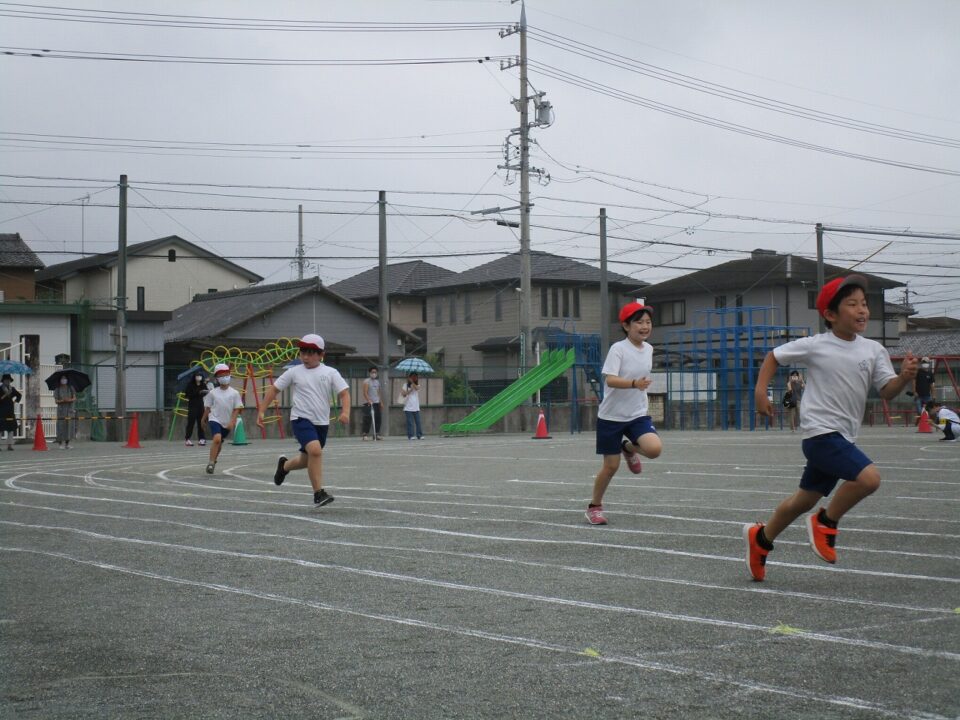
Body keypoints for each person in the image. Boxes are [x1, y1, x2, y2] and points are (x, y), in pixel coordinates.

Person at [744, 275, 918, 581]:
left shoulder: (873, 350)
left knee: (804, 500)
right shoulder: (816, 345)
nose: (862, 310)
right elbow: (773, 357)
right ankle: (826, 522)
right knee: (869, 479)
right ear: (830, 314)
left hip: (844, 436)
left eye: (864, 303)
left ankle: (761, 539)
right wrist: (761, 392)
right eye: (852, 304)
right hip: (820, 433)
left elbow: (887, 391)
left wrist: (903, 377)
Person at [585, 300, 663, 526]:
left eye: (648, 322)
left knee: (654, 449)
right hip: (611, 417)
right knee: (611, 467)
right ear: (626, 326)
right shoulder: (618, 349)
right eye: (639, 322)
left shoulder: (649, 349)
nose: (645, 326)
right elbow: (610, 379)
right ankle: (594, 507)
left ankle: (628, 448)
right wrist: (634, 384)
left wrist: (638, 387)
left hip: (637, 413)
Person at [257, 334, 350, 506]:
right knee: (315, 451)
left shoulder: (330, 372)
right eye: (302, 352)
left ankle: (284, 467)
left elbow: (344, 393)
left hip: (321, 423)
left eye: (310, 353)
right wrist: (261, 411)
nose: (305, 356)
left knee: (306, 459)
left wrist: (346, 412)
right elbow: (274, 390)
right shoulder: (294, 372)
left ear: (321, 354)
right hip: (300, 419)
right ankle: (318, 493)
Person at [201, 363, 243, 474]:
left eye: (226, 374)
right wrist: (203, 419)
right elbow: (208, 408)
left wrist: (232, 421)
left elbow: (237, 409)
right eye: (221, 375)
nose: (224, 377)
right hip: (214, 419)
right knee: (217, 439)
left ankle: (214, 460)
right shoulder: (212, 393)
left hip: (227, 422)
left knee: (219, 443)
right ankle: (211, 462)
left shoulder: (235, 393)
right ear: (217, 378)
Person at [183, 371, 209, 446]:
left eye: (200, 376)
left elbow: (206, 391)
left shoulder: (203, 384)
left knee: (201, 422)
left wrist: (203, 392)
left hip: (200, 404)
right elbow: (187, 395)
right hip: (192, 405)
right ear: (194, 377)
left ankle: (202, 438)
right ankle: (187, 439)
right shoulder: (190, 384)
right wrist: (197, 393)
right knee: (191, 422)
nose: (198, 377)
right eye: (197, 376)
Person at [361, 366, 384, 441]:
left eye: (375, 372)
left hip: (376, 402)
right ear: (370, 373)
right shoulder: (367, 381)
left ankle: (376, 434)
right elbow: (365, 392)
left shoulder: (377, 382)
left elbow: (378, 393)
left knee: (378, 418)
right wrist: (369, 400)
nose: (374, 374)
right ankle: (365, 434)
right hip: (369, 403)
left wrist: (381, 402)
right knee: (368, 418)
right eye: (372, 372)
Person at [53, 376, 76, 449]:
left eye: (65, 378)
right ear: (60, 380)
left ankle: (67, 443)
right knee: (61, 426)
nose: (64, 380)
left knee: (69, 426)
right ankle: (60, 443)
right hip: (61, 410)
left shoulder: (71, 388)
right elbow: (56, 401)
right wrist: (62, 400)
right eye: (62, 379)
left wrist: (69, 400)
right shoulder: (57, 389)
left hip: (69, 410)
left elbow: (74, 398)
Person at [0, 374, 22, 450]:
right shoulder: (0, 388)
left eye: (9, 380)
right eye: (6, 380)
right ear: (3, 381)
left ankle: (9, 445)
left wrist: (15, 401)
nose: (8, 381)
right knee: (0, 428)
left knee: (11, 428)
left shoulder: (12, 389)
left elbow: (19, 395)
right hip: (1, 410)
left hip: (10, 410)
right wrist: (5, 394)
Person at [400, 372, 423, 440]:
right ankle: (411, 435)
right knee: (410, 422)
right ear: (409, 377)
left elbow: (417, 388)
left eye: (416, 377)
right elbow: (403, 394)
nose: (414, 378)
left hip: (416, 407)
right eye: (413, 377)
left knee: (418, 422)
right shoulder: (405, 385)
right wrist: (410, 390)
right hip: (408, 407)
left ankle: (419, 435)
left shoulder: (417, 385)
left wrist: (412, 383)